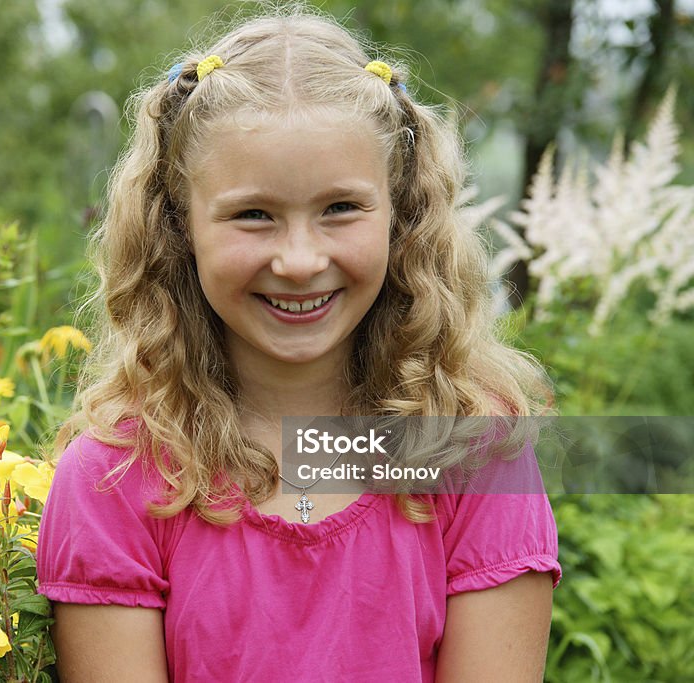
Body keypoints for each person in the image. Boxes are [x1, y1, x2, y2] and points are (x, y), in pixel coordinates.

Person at [36, 6, 561, 681]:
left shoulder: (476, 452)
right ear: (178, 225)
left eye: (340, 208)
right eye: (253, 215)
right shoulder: (114, 477)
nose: (300, 259)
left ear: (401, 213)